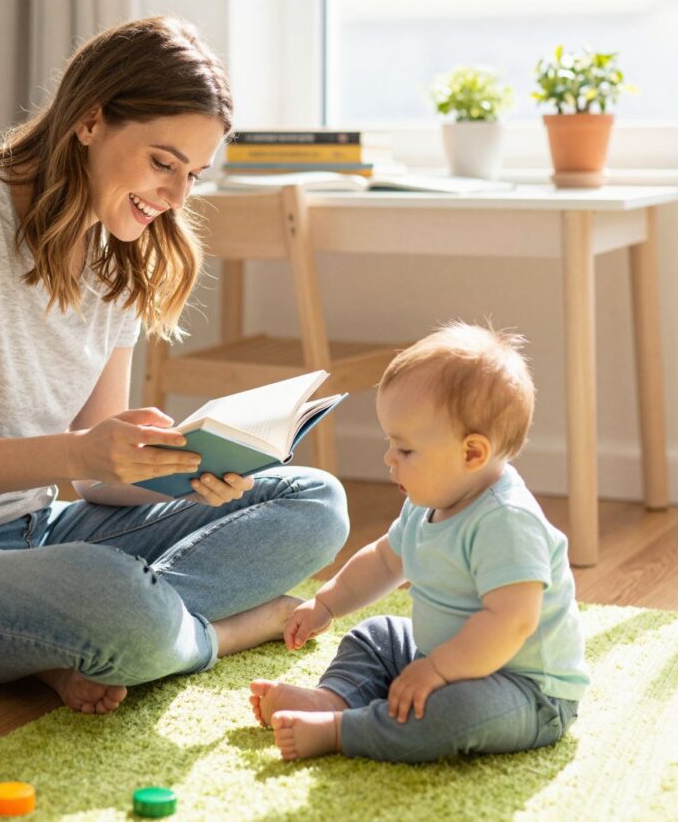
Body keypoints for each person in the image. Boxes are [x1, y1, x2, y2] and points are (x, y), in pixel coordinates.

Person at [0, 16, 349, 715]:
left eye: (193, 175)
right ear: (90, 120)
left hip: (36, 534)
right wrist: (85, 454)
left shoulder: (120, 252)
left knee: (315, 503)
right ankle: (206, 634)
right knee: (107, 595)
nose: (176, 198)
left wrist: (183, 477)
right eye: (164, 164)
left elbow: (98, 477)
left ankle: (87, 639)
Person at [249, 322, 588, 762]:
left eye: (405, 450)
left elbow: (512, 622)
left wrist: (439, 670)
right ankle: (333, 699)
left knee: (451, 713)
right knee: (377, 635)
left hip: (523, 688)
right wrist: (326, 604)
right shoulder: (429, 500)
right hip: (441, 655)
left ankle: (341, 730)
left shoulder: (507, 523)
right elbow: (387, 561)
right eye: (391, 443)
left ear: (471, 453)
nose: (389, 459)